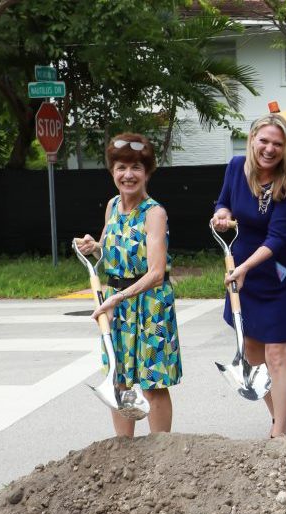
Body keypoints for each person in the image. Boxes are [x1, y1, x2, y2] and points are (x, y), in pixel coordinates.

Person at [211, 113, 286, 438]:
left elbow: (278, 238)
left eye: (277, 144)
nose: (269, 148)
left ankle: (279, 434)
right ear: (252, 139)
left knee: (277, 353)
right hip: (244, 271)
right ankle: (282, 416)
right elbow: (223, 202)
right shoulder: (236, 167)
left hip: (279, 273)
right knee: (252, 351)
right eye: (264, 140)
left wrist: (245, 268)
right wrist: (221, 214)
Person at [78, 133, 182, 437]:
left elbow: (156, 273)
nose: (128, 175)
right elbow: (112, 249)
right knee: (118, 379)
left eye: (136, 167)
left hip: (150, 305)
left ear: (147, 172)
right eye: (121, 167)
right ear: (112, 172)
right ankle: (123, 451)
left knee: (153, 385)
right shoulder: (112, 207)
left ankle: (161, 452)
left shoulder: (154, 213)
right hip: (117, 303)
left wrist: (117, 298)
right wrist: (93, 246)